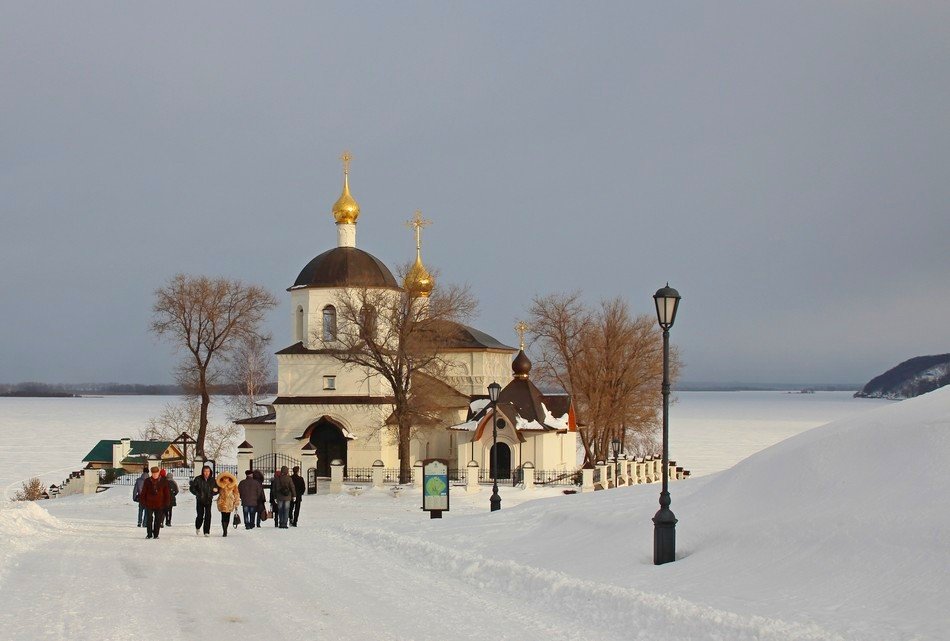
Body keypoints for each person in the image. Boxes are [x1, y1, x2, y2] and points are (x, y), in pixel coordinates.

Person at [138, 466, 170, 540]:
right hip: (149, 503)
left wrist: (167, 502)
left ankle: (156, 534)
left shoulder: (163, 481)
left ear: (158, 473)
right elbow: (143, 492)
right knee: (149, 519)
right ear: (151, 473)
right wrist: (143, 501)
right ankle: (149, 534)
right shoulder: (147, 481)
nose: (155, 475)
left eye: (156, 473)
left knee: (158, 519)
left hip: (160, 504)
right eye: (153, 473)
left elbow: (166, 493)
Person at [189, 464, 219, 537]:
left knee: (208, 515)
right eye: (205, 471)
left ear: (210, 472)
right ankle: (198, 526)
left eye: (208, 471)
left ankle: (206, 531)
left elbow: (217, 489)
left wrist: (214, 491)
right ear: (202, 472)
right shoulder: (198, 479)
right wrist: (197, 494)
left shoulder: (212, 480)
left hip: (208, 500)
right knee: (200, 515)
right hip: (200, 500)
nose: (206, 473)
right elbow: (192, 488)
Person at [215, 471, 240, 537]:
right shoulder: (220, 485)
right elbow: (215, 491)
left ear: (229, 478)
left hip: (230, 502)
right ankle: (224, 531)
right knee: (223, 517)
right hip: (222, 502)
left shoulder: (233, 485)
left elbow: (236, 493)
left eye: (227, 478)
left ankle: (225, 529)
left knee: (227, 517)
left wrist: (236, 502)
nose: (225, 479)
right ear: (222, 478)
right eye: (224, 478)